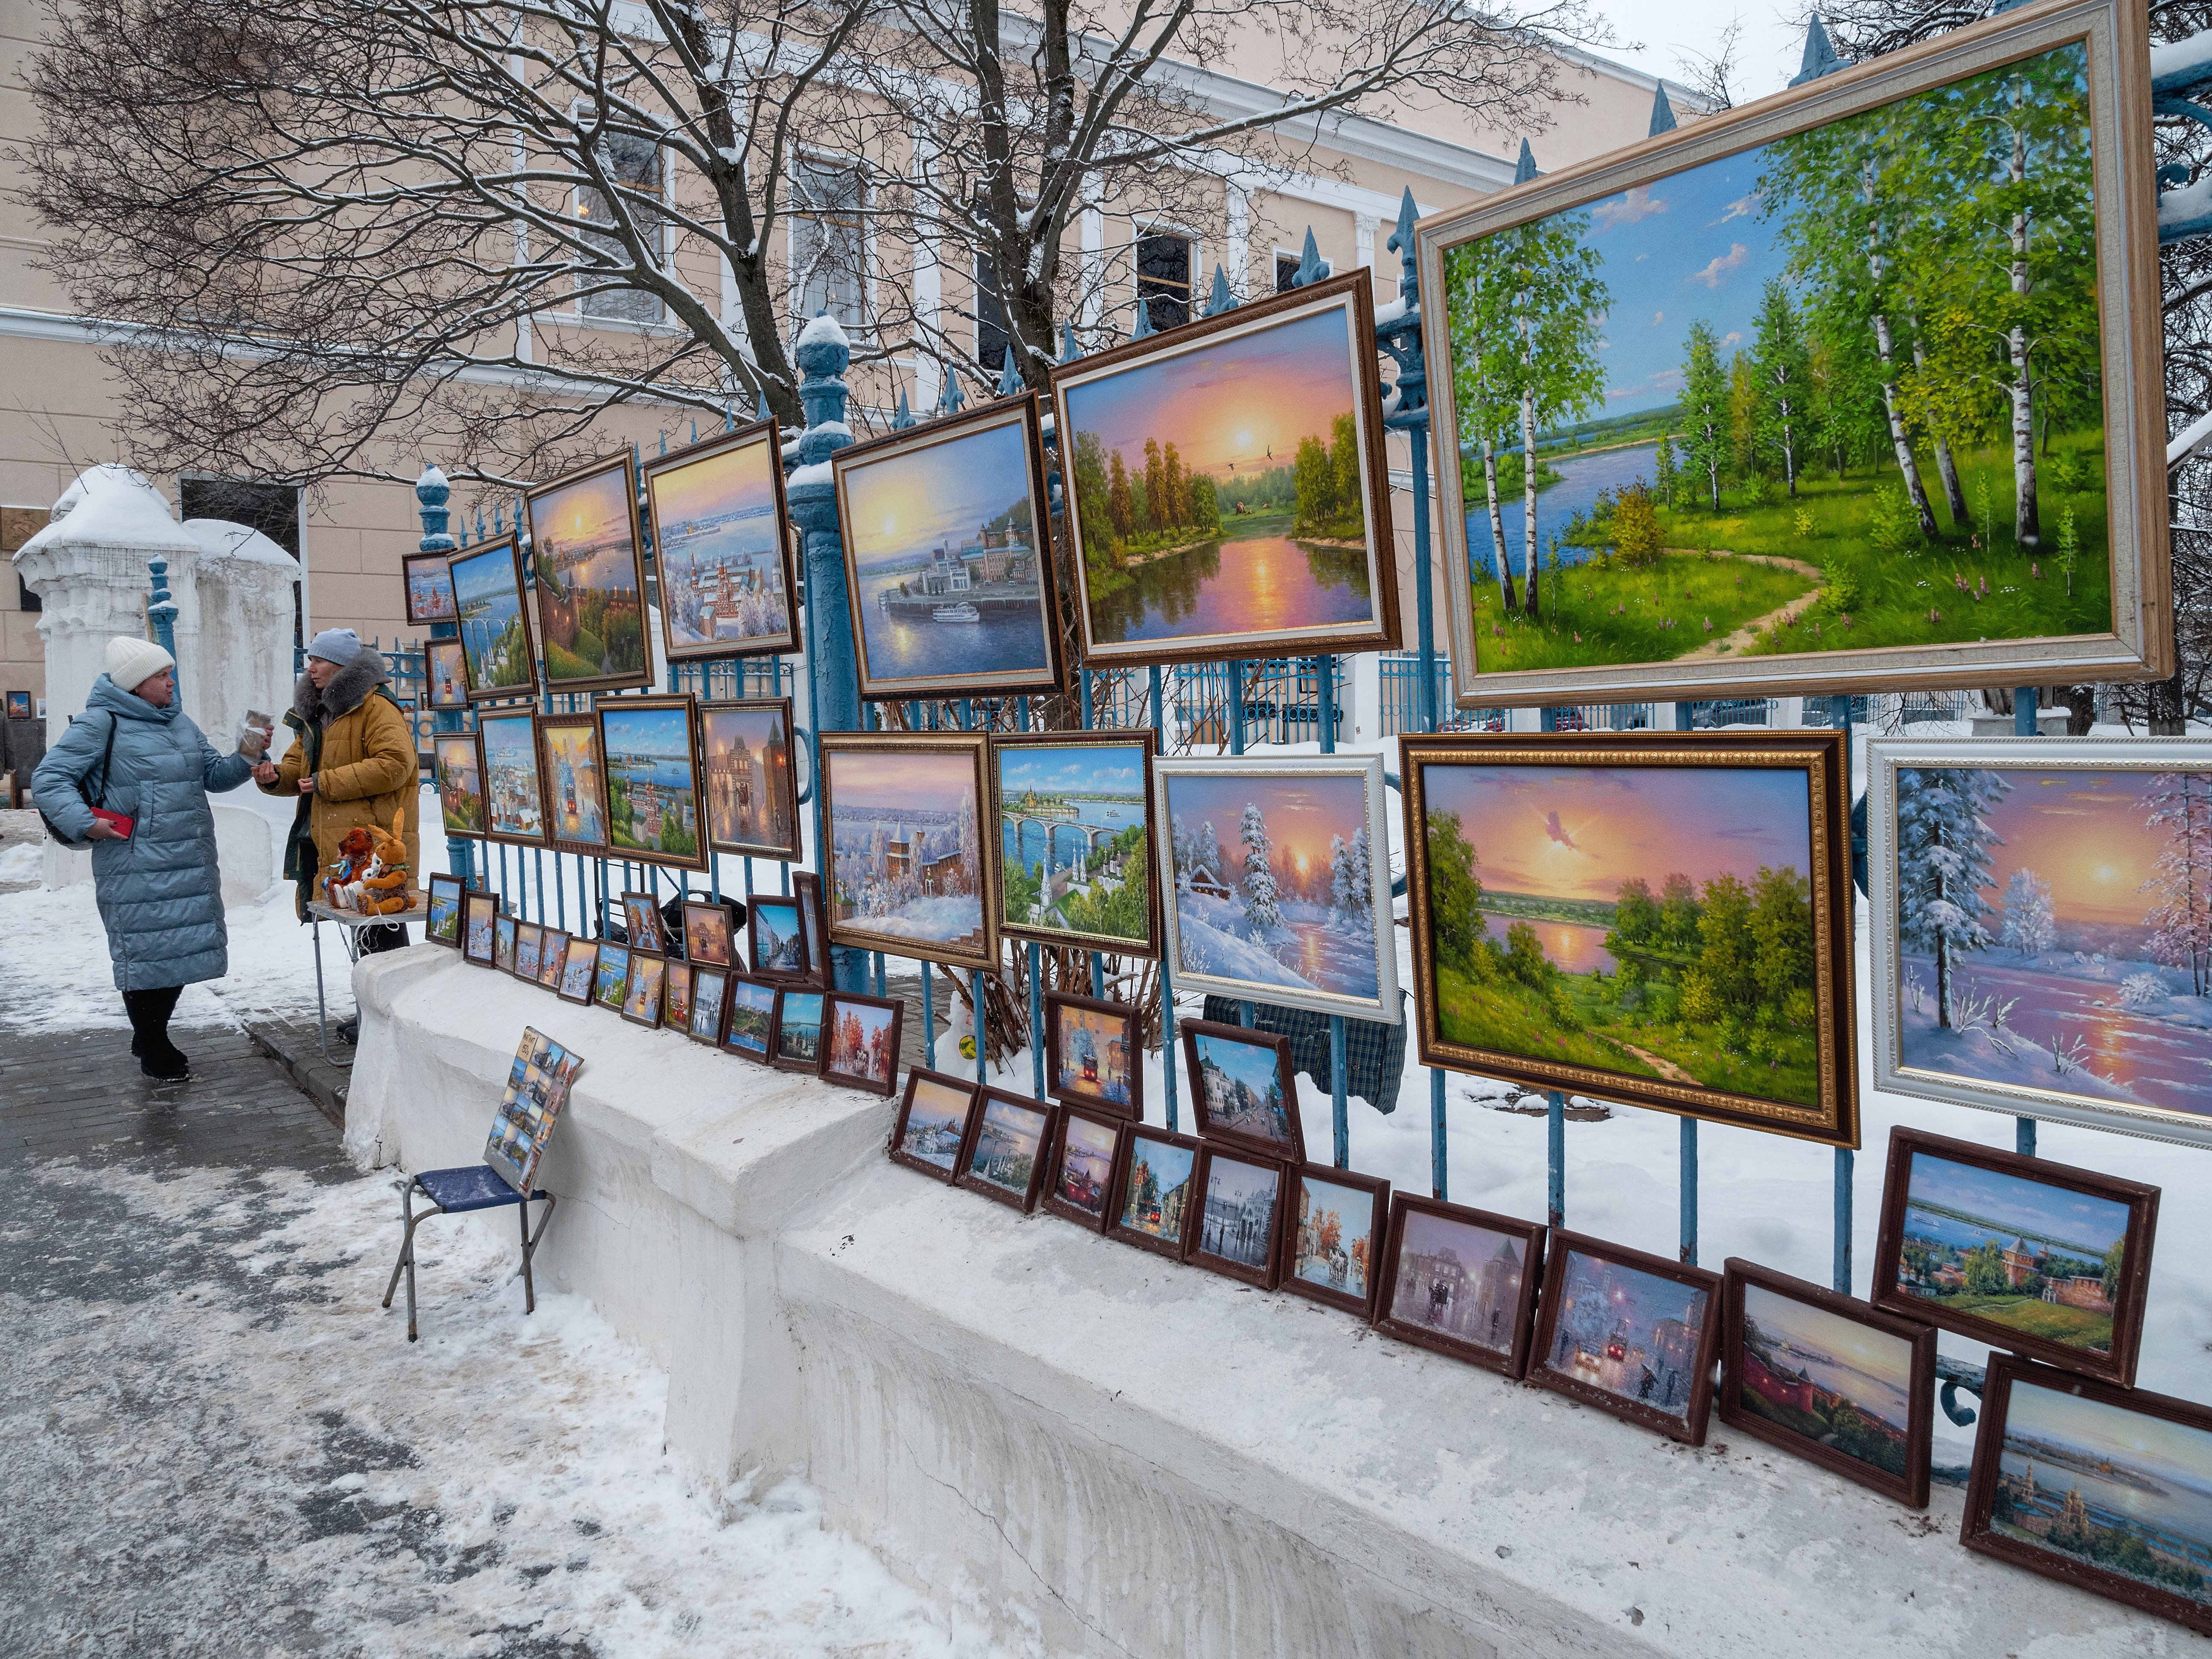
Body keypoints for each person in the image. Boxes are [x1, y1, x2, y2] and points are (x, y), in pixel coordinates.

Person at [33, 636, 258, 1078]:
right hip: (134, 860)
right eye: (162, 675)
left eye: (170, 673)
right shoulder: (101, 723)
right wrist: (86, 821)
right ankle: (154, 1045)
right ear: (137, 685)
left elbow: (213, 776)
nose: (171, 683)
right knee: (145, 954)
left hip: (190, 859)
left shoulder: (179, 723)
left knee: (178, 950)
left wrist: (250, 753)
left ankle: (149, 1033)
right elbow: (50, 778)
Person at [254, 628, 420, 1042]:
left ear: (343, 666)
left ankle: (392, 1021)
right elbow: (298, 767)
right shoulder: (317, 712)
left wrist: (328, 782)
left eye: (319, 660)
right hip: (347, 848)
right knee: (362, 933)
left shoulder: (376, 707)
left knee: (382, 931)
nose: (311, 668)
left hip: (377, 847)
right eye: (310, 660)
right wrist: (276, 777)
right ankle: (373, 1013)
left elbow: (396, 763)